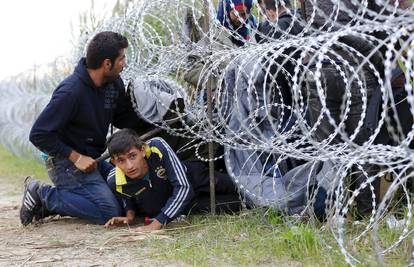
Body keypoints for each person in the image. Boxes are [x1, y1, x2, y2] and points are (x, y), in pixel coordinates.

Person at [20, 31, 143, 226]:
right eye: (121, 59)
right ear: (107, 64)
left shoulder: (113, 84)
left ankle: (61, 199)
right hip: (64, 162)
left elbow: (123, 117)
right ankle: (43, 195)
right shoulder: (71, 92)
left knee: (127, 193)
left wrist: (158, 120)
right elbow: (39, 134)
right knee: (109, 211)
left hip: (93, 159)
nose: (124, 64)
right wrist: (76, 157)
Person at [104, 129, 243, 232]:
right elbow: (127, 197)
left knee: (242, 187)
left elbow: (183, 187)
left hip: (196, 179)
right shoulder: (114, 181)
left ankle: (264, 188)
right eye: (121, 161)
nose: (129, 165)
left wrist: (157, 223)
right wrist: (129, 216)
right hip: (185, 204)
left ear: (141, 150)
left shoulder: (156, 147)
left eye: (132, 156)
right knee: (239, 204)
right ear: (113, 162)